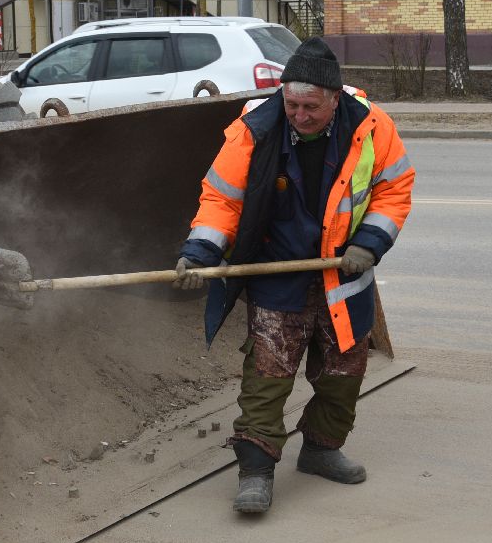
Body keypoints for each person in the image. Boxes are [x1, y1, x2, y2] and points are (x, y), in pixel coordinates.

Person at [173, 38, 414, 516]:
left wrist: (369, 244)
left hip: (342, 276)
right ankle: (256, 472)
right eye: (291, 104)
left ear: (334, 99)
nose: (299, 116)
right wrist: (200, 251)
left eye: (310, 107)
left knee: (343, 374)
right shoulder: (253, 131)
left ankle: (321, 450)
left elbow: (394, 190)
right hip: (276, 275)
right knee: (268, 375)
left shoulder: (371, 127)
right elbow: (222, 199)